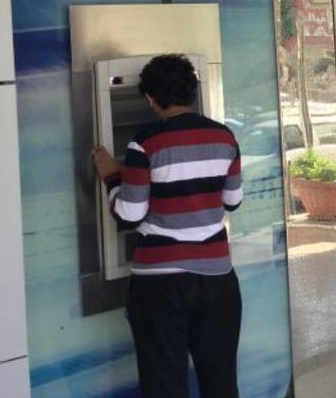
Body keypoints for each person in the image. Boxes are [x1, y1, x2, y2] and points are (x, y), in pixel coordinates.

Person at [92, 54, 243, 398]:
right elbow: (232, 201)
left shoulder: (145, 142)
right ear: (191, 90)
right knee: (221, 384)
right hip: (218, 279)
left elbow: (129, 214)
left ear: (150, 98)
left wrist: (111, 177)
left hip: (161, 285)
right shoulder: (224, 137)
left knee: (165, 386)